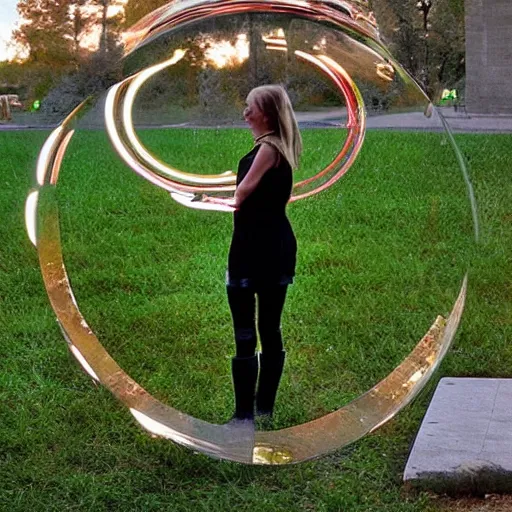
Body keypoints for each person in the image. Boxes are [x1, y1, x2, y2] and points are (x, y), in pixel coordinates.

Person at [224, 85, 302, 424]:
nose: (245, 113)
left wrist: (225, 194)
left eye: (249, 107)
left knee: (248, 331)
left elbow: (242, 194)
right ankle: (261, 408)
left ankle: (246, 415)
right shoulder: (277, 147)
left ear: (266, 114)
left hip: (256, 248)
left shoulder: (269, 149)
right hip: (271, 245)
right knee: (269, 327)